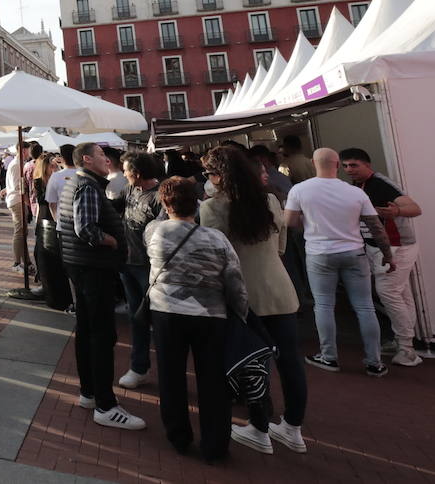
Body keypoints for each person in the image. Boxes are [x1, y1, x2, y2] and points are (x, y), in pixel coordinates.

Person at [199, 146, 307, 456]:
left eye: (209, 173)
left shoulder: (212, 208)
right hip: (280, 290)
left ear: (219, 176)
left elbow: (212, 258)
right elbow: (282, 247)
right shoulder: (270, 200)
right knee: (290, 362)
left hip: (240, 296)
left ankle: (260, 428)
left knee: (251, 365)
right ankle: (293, 428)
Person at [145, 177, 247, 461]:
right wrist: (240, 312)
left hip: (166, 312)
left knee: (170, 375)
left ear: (165, 204)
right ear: (197, 203)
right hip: (210, 315)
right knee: (213, 380)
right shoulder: (217, 238)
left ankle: (178, 436)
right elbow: (235, 282)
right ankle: (215, 444)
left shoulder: (154, 231)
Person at [57, 143, 144, 431]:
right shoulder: (88, 187)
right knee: (102, 334)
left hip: (81, 266)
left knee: (86, 331)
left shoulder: (78, 183)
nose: (107, 160)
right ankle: (106, 405)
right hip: (94, 267)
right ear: (86, 159)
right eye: (100, 155)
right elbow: (87, 229)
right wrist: (114, 241)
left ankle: (89, 392)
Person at [284, 148, 392, 377]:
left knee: (323, 305)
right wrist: (388, 255)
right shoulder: (355, 193)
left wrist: (309, 224)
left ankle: (329, 356)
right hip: (354, 252)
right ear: (336, 164)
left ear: (314, 163)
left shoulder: (300, 190)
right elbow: (376, 227)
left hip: (319, 253)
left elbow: (290, 221)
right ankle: (374, 361)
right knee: (365, 307)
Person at [340, 147, 423, 367]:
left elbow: (414, 208)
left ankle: (407, 349)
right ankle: (404, 343)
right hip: (383, 247)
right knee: (401, 293)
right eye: (345, 165)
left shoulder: (381, 184)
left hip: (397, 247)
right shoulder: (358, 186)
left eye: (354, 165)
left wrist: (396, 212)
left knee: (389, 291)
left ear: (367, 165)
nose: (349, 170)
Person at [116, 151, 163, 390]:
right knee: (136, 317)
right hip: (128, 264)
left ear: (137, 173)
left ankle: (166, 368)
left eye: (126, 170)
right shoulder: (128, 190)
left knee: (160, 320)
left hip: (150, 268)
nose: (123, 174)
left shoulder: (159, 197)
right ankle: (139, 366)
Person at [32, 152, 72, 311]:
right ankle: (44, 283)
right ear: (45, 167)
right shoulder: (39, 181)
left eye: (56, 166)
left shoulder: (61, 178)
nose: (54, 168)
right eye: (52, 166)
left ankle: (55, 287)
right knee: (39, 252)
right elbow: (42, 200)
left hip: (58, 219)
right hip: (44, 219)